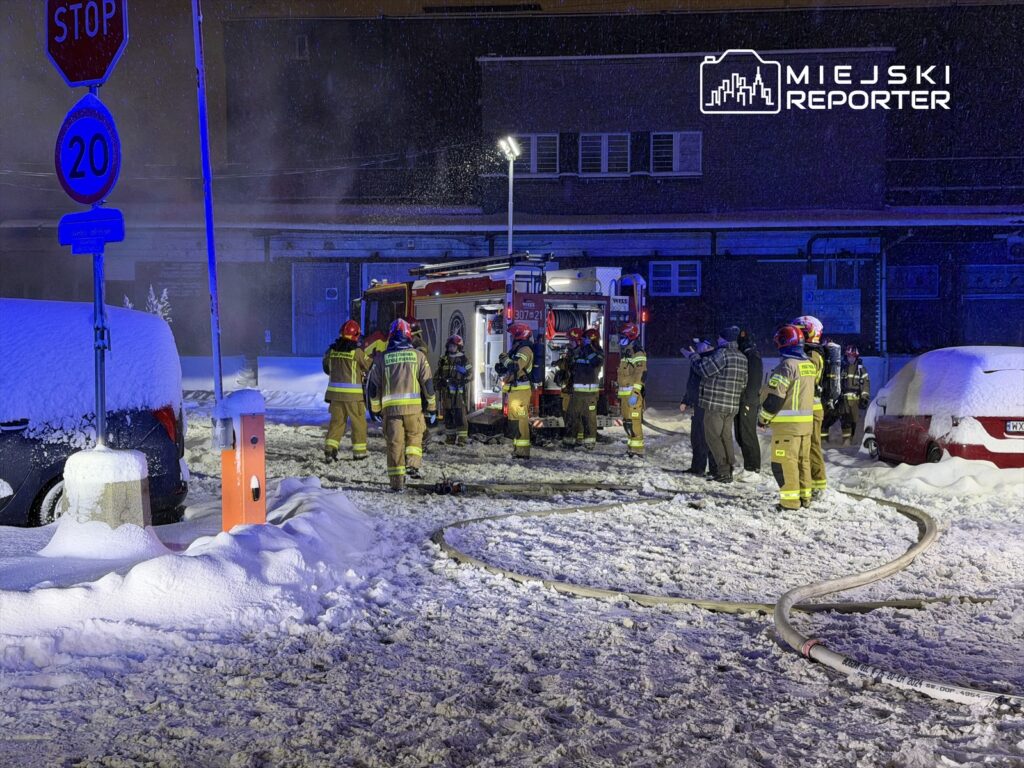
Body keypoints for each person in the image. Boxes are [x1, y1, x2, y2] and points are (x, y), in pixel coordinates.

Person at [366, 319, 437, 491]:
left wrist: (375, 409)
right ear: (408, 335)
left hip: (391, 412)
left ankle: (397, 483)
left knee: (395, 444)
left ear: (390, 336)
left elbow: (373, 388)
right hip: (413, 409)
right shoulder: (418, 356)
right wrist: (432, 407)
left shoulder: (381, 358)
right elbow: (428, 384)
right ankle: (412, 464)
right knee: (414, 436)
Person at [759, 324, 816, 510]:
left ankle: (790, 503)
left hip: (787, 428)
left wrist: (763, 418)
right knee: (802, 462)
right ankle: (804, 498)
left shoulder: (786, 366)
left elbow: (776, 396)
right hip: (805, 427)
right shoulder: (808, 365)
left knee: (784, 463)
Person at [683, 326, 748, 482]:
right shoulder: (742, 357)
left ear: (724, 339)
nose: (717, 340)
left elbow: (704, 369)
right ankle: (729, 469)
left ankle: (723, 471)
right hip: (731, 406)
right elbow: (744, 383)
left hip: (715, 405)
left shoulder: (723, 353)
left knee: (713, 438)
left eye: (719, 338)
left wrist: (693, 356)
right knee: (725, 438)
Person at [322, 319, 371, 462]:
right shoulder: (357, 352)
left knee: (336, 423)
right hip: (353, 398)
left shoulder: (331, 350)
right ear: (356, 335)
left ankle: (330, 450)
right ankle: (359, 453)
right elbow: (369, 366)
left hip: (335, 396)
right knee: (359, 424)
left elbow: (326, 368)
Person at [791, 315, 828, 496]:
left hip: (812, 408)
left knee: (812, 446)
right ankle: (810, 483)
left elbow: (808, 380)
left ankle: (818, 485)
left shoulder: (813, 354)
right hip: (807, 407)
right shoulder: (808, 352)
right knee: (805, 447)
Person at [495, 322, 534, 459]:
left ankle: (523, 452)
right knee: (515, 420)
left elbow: (515, 366)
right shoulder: (518, 349)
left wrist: (504, 359)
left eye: (513, 335)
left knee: (521, 420)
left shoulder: (525, 350)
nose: (511, 337)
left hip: (521, 391)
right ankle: (518, 449)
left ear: (519, 335)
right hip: (516, 391)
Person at [679, 339, 716, 476]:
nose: (697, 347)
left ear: (707, 345)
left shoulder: (709, 361)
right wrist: (686, 400)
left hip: (706, 404)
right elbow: (693, 384)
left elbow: (700, 382)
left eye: (699, 344)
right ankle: (698, 467)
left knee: (707, 438)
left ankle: (713, 469)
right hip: (698, 404)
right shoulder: (699, 360)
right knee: (697, 438)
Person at [563, 327, 604, 451]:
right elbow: (573, 366)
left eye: (585, 339)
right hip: (577, 392)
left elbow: (595, 362)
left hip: (590, 393)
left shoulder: (598, 352)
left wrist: (586, 347)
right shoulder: (580, 351)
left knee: (589, 418)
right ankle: (570, 441)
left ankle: (589, 442)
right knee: (572, 416)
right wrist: (573, 350)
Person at [822, 345, 871, 446]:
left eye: (852, 357)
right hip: (843, 400)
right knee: (842, 419)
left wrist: (864, 397)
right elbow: (837, 382)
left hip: (855, 401)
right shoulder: (843, 369)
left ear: (856, 357)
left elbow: (865, 384)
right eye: (849, 356)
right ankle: (844, 440)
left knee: (853, 421)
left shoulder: (861, 370)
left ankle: (851, 440)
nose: (851, 359)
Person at [733, 329, 762, 482]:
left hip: (748, 402)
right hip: (742, 400)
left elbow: (754, 382)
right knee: (739, 434)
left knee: (747, 434)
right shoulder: (747, 355)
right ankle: (748, 467)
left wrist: (747, 400)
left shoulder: (753, 356)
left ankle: (753, 469)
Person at [616, 322, 647, 458]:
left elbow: (640, 374)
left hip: (633, 395)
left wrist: (635, 392)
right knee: (627, 423)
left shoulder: (637, 352)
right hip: (625, 395)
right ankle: (631, 449)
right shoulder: (627, 352)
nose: (620, 339)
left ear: (630, 335)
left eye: (623, 336)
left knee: (634, 423)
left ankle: (638, 451)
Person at [434, 334, 470, 445]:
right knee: (448, 415)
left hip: (459, 393)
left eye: (453, 346)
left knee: (460, 415)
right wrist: (438, 383)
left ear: (459, 347)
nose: (451, 348)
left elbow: (471, 374)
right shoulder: (444, 359)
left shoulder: (463, 359)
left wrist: (463, 378)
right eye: (450, 346)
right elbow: (438, 373)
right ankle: (450, 438)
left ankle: (462, 439)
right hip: (446, 393)